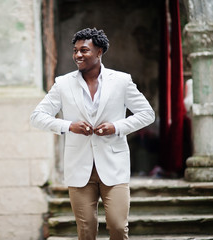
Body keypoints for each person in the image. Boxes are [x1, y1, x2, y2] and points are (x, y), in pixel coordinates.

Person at [30, 28, 155, 240]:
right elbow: (37, 116)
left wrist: (116, 127)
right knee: (86, 231)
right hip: (79, 168)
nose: (78, 55)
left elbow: (147, 113)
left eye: (84, 50)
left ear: (99, 51)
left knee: (117, 226)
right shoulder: (63, 83)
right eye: (75, 50)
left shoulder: (121, 81)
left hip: (114, 166)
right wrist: (69, 125)